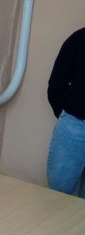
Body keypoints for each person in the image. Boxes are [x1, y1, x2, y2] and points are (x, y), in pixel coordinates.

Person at [47, 26, 85, 198]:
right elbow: (56, 85)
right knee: (59, 197)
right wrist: (69, 116)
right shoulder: (79, 39)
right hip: (74, 128)